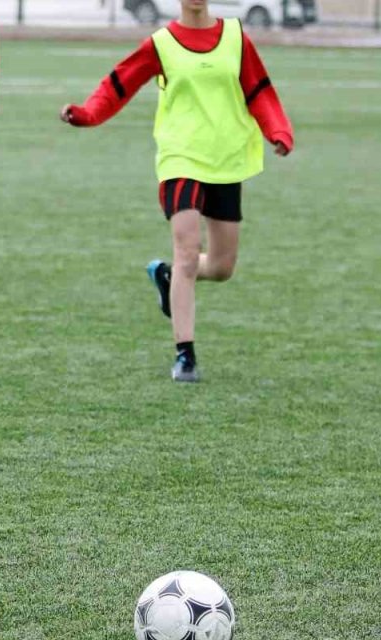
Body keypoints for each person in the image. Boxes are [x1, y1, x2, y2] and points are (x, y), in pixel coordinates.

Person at [59, 0, 294, 382]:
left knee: (220, 267)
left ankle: (167, 277)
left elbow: (260, 92)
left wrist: (278, 130)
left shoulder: (236, 37)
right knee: (187, 252)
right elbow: (119, 84)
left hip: (225, 160)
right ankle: (185, 354)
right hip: (180, 159)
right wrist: (86, 114)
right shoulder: (161, 43)